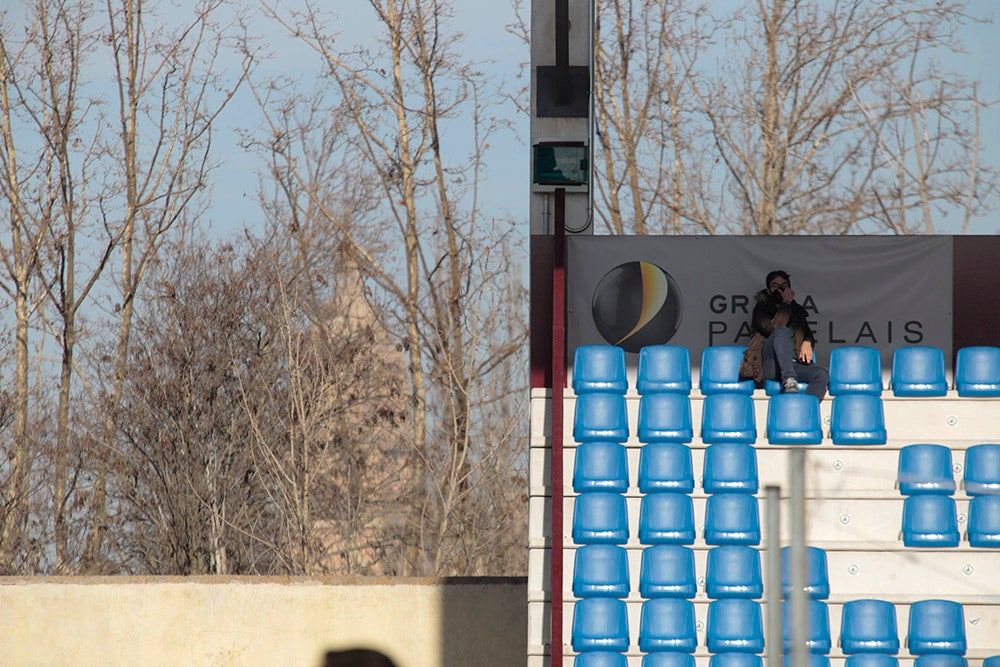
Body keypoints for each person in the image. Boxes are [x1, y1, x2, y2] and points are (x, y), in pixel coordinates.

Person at [740, 269, 829, 400]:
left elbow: (808, 333)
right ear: (769, 290)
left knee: (822, 374)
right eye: (775, 285)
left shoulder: (797, 310)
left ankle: (806, 409)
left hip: (793, 365)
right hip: (770, 366)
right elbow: (775, 327)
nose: (780, 289)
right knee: (782, 331)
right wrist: (786, 303)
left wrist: (808, 342)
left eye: (784, 285)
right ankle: (789, 379)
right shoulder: (761, 308)